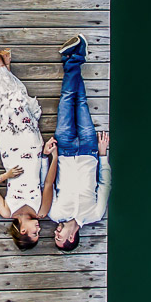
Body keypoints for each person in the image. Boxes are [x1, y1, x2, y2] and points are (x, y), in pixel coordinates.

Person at [0, 47, 59, 249]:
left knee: (2, 112)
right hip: (32, 152)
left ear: (23, 231)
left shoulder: (7, 211)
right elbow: (48, 183)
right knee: (20, 108)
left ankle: (4, 68)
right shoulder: (41, 212)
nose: (39, 229)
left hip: (10, 156)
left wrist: (6, 176)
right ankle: (2, 67)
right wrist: (53, 157)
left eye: (35, 233)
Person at [44, 35, 111, 251]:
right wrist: (103, 154)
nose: (55, 233)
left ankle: (74, 58)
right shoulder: (95, 214)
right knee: (81, 101)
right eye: (59, 237)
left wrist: (47, 156)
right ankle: (73, 58)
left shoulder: (55, 214)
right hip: (90, 150)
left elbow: (47, 183)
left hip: (64, 150)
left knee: (66, 99)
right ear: (71, 238)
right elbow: (105, 184)